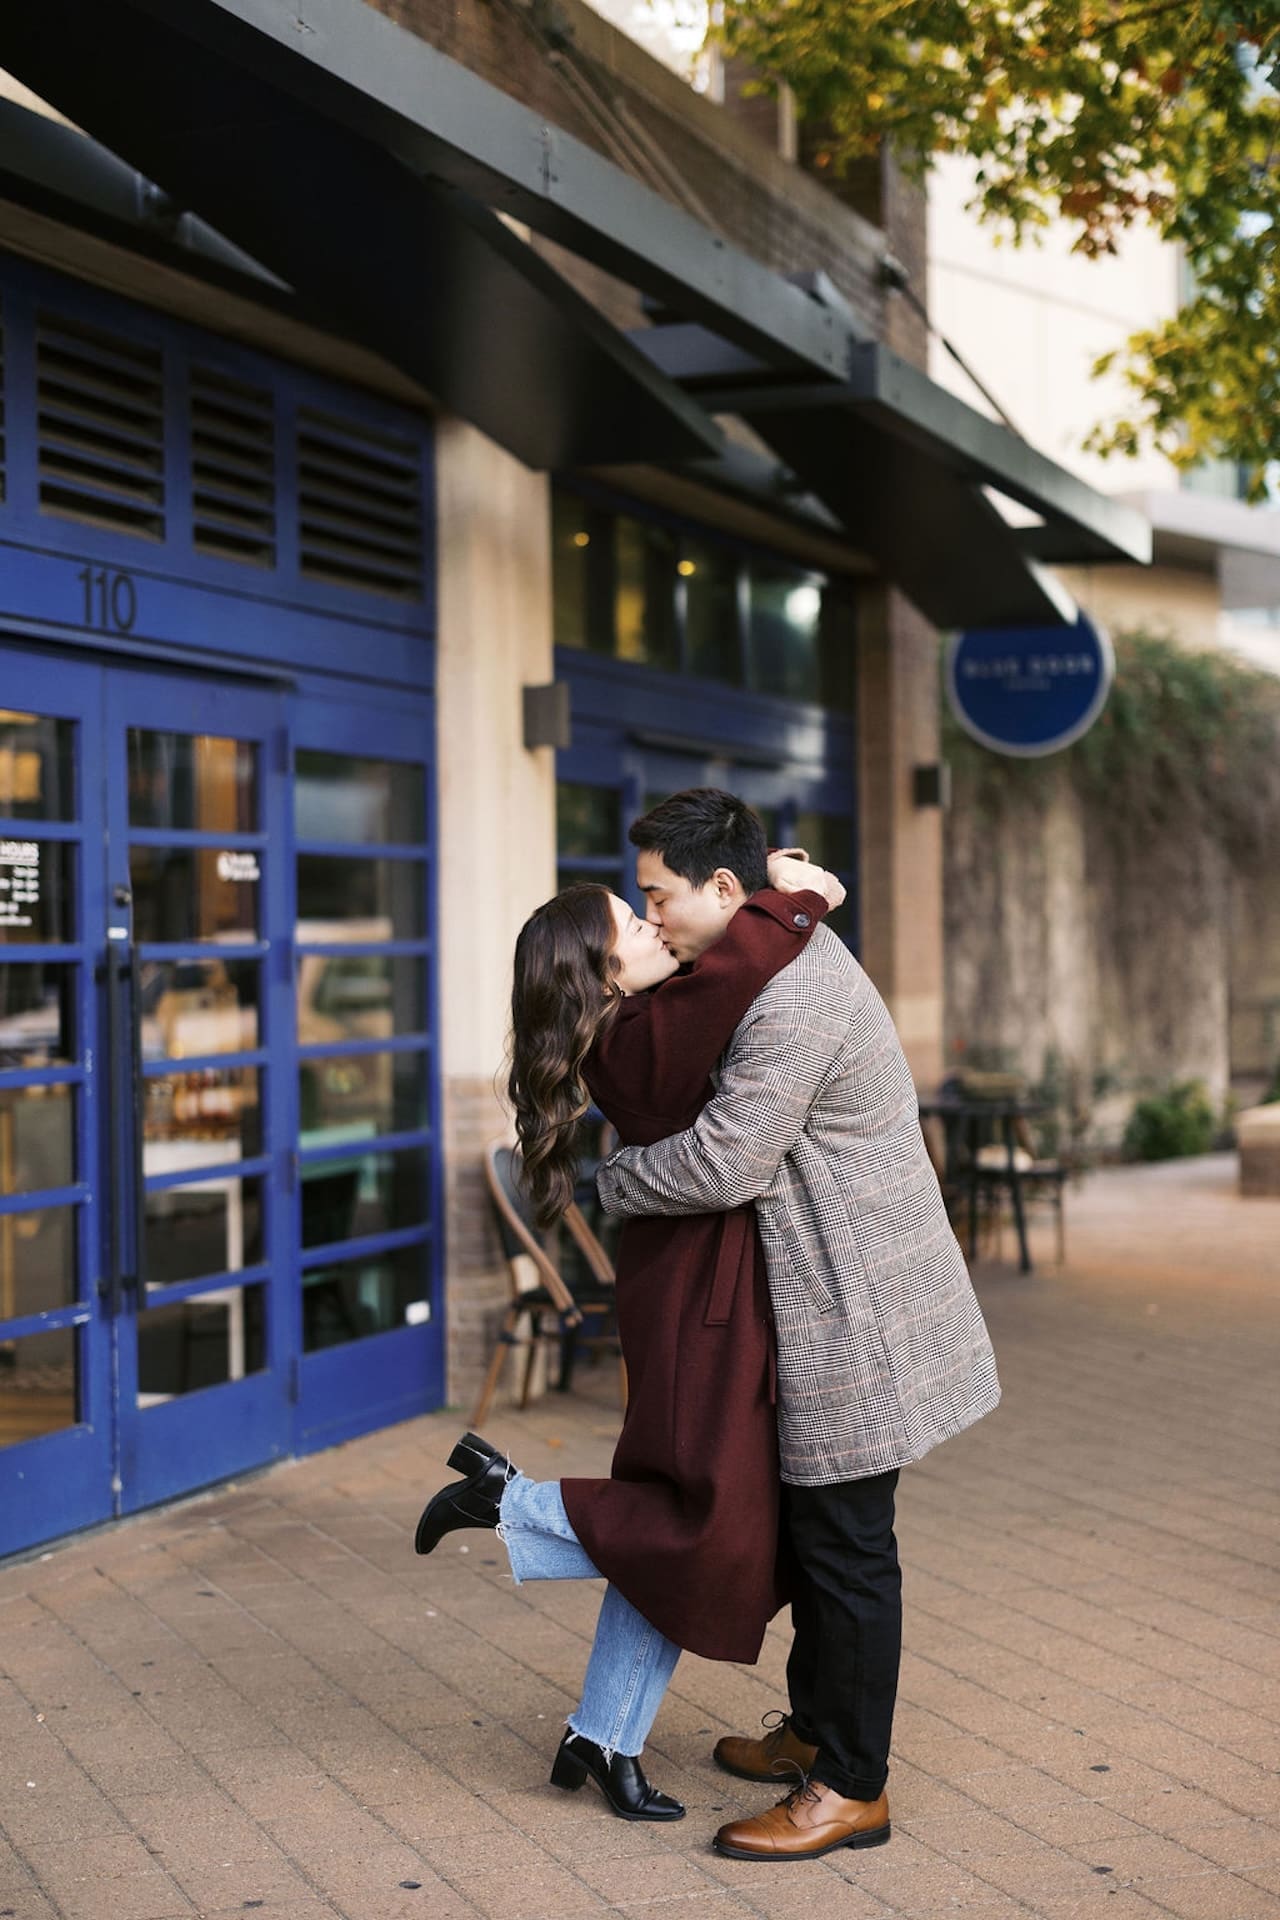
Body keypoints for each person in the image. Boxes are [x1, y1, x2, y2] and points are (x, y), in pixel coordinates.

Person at [595, 788, 1001, 1863]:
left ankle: (850, 1787)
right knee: (822, 1535)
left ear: (723, 890)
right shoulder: (769, 954)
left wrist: (616, 1179)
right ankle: (816, 1732)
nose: (654, 920)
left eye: (659, 898)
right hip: (826, 1292)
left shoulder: (793, 999)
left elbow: (729, 1157)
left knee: (848, 1546)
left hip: (856, 1306)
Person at [414, 841, 844, 1824]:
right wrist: (800, 896)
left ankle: (602, 1738)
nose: (654, 925)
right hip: (702, 1310)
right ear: (596, 970)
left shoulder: (638, 1023)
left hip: (699, 1295)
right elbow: (741, 964)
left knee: (681, 1514)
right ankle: (508, 1503)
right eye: (631, 921)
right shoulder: (635, 1037)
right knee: (711, 1528)